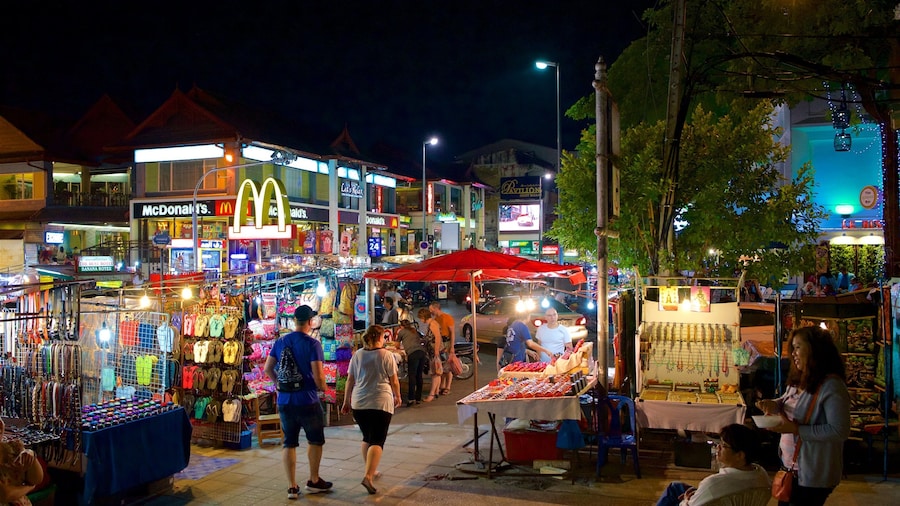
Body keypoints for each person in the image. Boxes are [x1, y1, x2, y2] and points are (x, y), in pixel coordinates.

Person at [755, 325, 850, 506]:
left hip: (813, 474)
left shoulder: (832, 386)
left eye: (798, 347)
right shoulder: (800, 379)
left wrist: (796, 429)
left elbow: (840, 431)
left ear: (815, 350)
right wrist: (774, 404)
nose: (793, 353)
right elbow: (788, 402)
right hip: (791, 468)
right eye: (793, 348)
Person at [263, 305, 333, 500]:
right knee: (315, 440)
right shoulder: (313, 344)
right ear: (311, 322)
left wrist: (280, 384)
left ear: (294, 320)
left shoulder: (281, 341)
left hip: (285, 401)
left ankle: (292, 487)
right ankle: (313, 479)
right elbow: (319, 375)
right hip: (307, 400)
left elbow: (268, 368)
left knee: (289, 443)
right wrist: (324, 389)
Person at [340, 325, 402, 495]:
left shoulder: (357, 355)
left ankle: (371, 470)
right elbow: (394, 380)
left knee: (367, 437)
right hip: (380, 402)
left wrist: (346, 401)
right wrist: (398, 396)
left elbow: (349, 380)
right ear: (379, 338)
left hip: (359, 403)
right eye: (383, 337)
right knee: (377, 440)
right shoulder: (386, 355)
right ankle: (368, 476)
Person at [656, 423, 770, 506]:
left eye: (724, 445)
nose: (718, 447)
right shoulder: (762, 475)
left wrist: (686, 501)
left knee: (672, 493)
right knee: (676, 487)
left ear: (740, 455)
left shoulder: (713, 483)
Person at [0, 417, 45, 506]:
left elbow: (37, 479)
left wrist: (31, 456)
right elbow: (5, 495)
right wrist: (29, 487)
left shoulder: (13, 448)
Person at [396, 318, 427, 407]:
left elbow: (397, 344)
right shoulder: (414, 330)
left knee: (412, 376)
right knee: (419, 375)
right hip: (421, 352)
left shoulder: (402, 332)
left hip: (413, 354)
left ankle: (411, 398)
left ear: (401, 326)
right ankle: (418, 398)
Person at [429, 301, 455, 396]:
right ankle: (442, 386)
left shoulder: (447, 318)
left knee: (448, 367)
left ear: (436, 309)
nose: (430, 312)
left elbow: (452, 333)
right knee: (442, 366)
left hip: (446, 343)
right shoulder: (436, 319)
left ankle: (447, 387)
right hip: (441, 344)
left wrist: (452, 347)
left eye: (431, 310)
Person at [420, 307, 444, 402]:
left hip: (434, 352)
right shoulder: (431, 324)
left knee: (434, 373)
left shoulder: (432, 324)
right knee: (437, 372)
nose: (421, 320)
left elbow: (437, 338)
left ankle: (431, 394)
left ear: (424, 317)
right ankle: (436, 391)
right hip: (432, 351)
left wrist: (436, 352)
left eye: (421, 318)